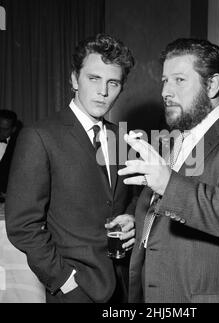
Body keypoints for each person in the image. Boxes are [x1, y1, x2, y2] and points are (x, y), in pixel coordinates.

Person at [118, 38, 219, 303]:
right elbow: (159, 201)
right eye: (164, 81)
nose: (165, 92)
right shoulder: (172, 140)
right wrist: (135, 219)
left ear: (212, 85)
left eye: (179, 80)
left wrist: (168, 184)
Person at [5, 34, 137, 303]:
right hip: (74, 290)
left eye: (113, 82)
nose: (103, 91)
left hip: (124, 286)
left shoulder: (123, 138)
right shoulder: (39, 136)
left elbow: (133, 196)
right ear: (75, 79)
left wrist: (132, 218)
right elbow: (22, 225)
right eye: (93, 78)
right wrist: (64, 281)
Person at [0, 109, 20, 200]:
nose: (0, 132)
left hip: (9, 199)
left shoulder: (20, 146)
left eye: (5, 129)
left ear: (13, 129)